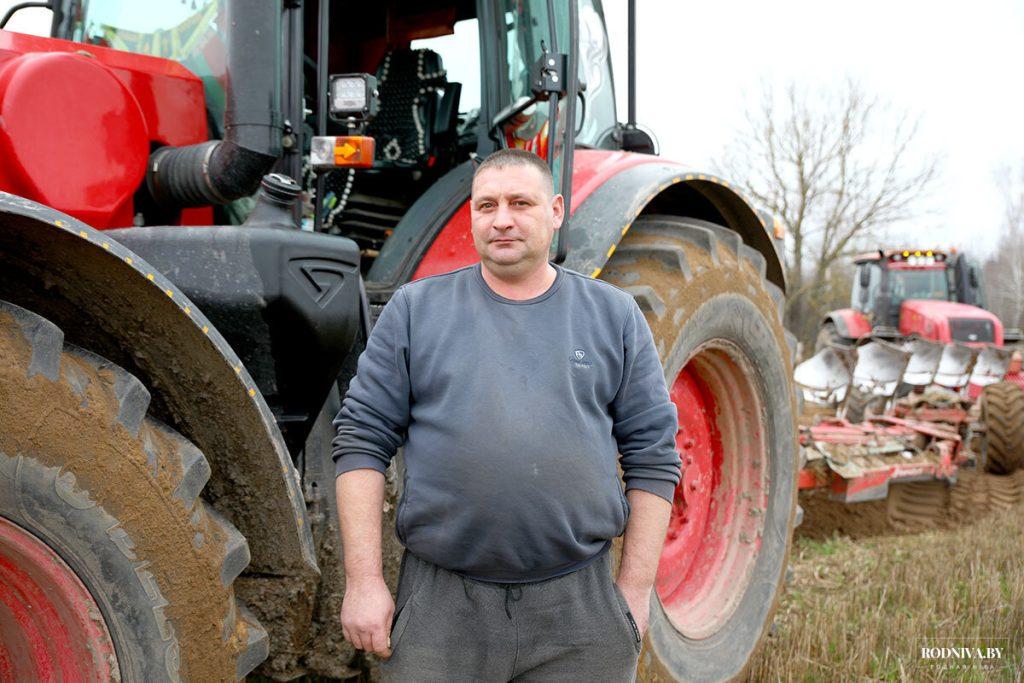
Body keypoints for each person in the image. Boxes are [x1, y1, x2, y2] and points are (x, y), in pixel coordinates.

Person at [333, 148, 681, 682]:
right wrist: (363, 582)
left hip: (580, 611)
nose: (501, 220)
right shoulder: (414, 310)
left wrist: (633, 591)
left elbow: (654, 455)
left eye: (520, 203)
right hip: (439, 609)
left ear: (557, 210)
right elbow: (360, 441)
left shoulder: (613, 316)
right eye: (485, 205)